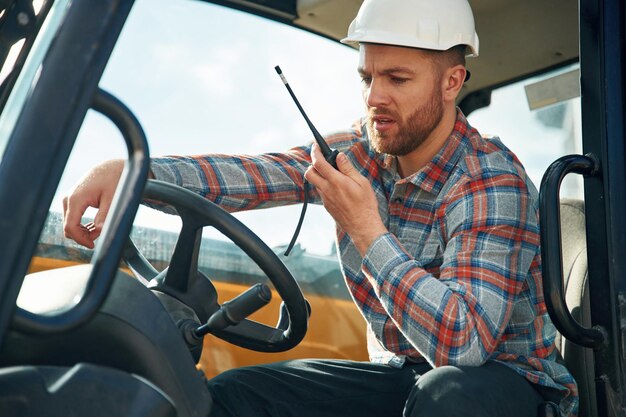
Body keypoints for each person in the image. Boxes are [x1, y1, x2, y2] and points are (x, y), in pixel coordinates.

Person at [63, 0, 578, 415]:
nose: (374, 96)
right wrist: (133, 172)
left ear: (451, 84)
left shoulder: (491, 180)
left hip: (508, 387)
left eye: (397, 79)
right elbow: (251, 175)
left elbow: (462, 345)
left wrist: (368, 231)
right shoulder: (359, 154)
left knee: (449, 397)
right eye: (366, 76)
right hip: (405, 375)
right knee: (235, 396)